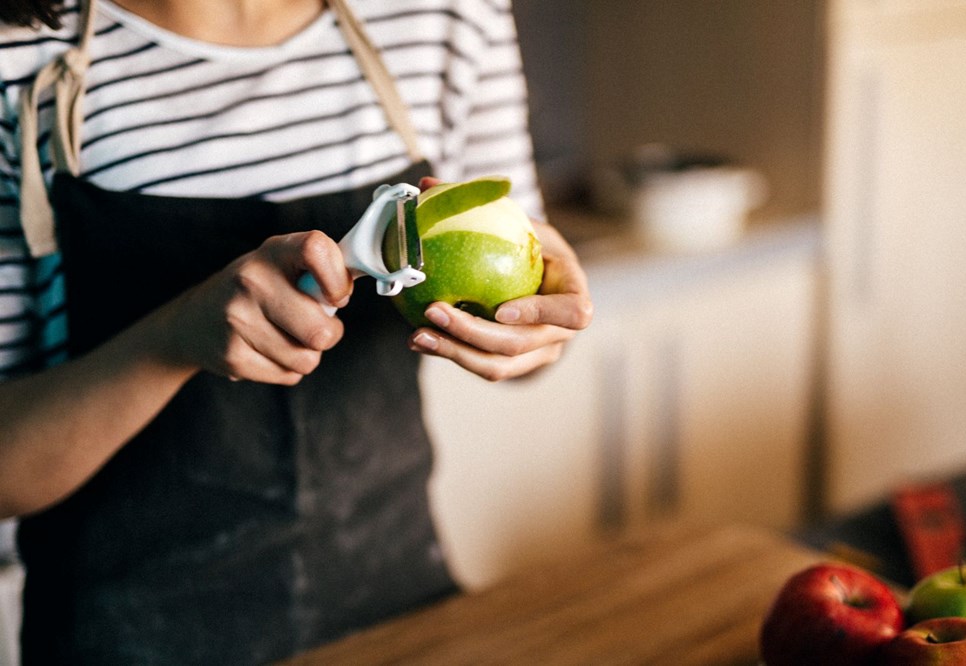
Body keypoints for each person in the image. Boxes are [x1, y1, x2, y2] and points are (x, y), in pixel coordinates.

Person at [0, 0, 593, 663]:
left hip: (398, 612)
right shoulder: (20, 55)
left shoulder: (449, 16)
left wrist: (532, 331)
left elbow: (530, 304)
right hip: (126, 636)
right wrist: (171, 340)